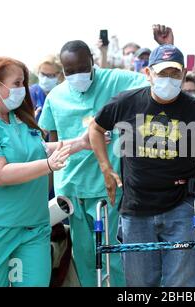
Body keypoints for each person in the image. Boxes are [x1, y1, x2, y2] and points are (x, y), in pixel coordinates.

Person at [89, 43, 195, 287]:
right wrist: (106, 168)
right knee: (140, 284)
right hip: (136, 207)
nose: (169, 79)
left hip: (182, 206)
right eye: (162, 72)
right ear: (148, 73)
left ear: (184, 74)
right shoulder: (127, 102)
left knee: (182, 285)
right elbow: (96, 127)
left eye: (175, 73)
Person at [0, 57, 91, 287]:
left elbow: (38, 151)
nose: (23, 89)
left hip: (33, 229)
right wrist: (48, 165)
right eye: (16, 83)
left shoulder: (20, 119)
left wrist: (80, 142)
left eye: (23, 83)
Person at [38, 40, 148, 287]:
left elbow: (152, 82)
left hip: (107, 183)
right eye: (70, 71)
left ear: (92, 61)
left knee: (113, 255)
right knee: (85, 256)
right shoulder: (55, 96)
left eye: (82, 68)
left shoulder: (114, 80)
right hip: (71, 186)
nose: (77, 75)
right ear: (62, 70)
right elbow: (51, 145)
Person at [30, 55, 63, 121]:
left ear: (59, 75)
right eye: (42, 74)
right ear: (38, 71)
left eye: (50, 75)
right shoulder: (30, 93)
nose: (45, 79)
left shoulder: (63, 95)